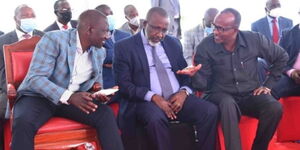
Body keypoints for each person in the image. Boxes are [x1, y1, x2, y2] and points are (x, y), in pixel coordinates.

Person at [11, 10, 124, 150]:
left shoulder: (99, 51)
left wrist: (99, 94)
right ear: (90, 30)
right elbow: (36, 78)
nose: (108, 36)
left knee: (105, 114)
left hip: (73, 99)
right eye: (105, 31)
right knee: (23, 122)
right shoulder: (54, 39)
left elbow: (95, 85)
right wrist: (69, 96)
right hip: (39, 97)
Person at [177, 8, 288, 150]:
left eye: (221, 29)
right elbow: (202, 86)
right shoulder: (205, 46)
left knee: (274, 107)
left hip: (249, 95)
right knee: (227, 103)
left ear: (235, 29)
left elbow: (281, 57)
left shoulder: (254, 39)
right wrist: (195, 75)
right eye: (214, 26)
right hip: (218, 95)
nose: (215, 31)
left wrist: (268, 84)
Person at [114, 7, 218, 150]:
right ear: (144, 23)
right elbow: (124, 85)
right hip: (144, 101)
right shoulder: (124, 47)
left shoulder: (173, 43)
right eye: (156, 29)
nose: (160, 34)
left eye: (164, 30)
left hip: (177, 98)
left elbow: (184, 75)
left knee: (209, 111)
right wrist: (154, 97)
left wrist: (183, 93)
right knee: (155, 118)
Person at [0, 4, 44, 150]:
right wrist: (9, 87)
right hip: (11, 89)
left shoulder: (45, 37)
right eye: (25, 16)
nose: (29, 19)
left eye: (32, 16)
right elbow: (1, 71)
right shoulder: (3, 40)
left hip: (41, 89)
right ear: (15, 19)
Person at [95, 4, 130, 89]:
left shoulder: (126, 35)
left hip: (128, 82)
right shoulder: (95, 38)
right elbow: (100, 58)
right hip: (107, 83)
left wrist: (110, 56)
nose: (110, 17)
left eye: (111, 14)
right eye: (106, 15)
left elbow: (132, 56)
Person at [272, 9, 300, 99]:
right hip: (291, 78)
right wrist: (291, 72)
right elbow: (278, 60)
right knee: (273, 87)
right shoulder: (287, 34)